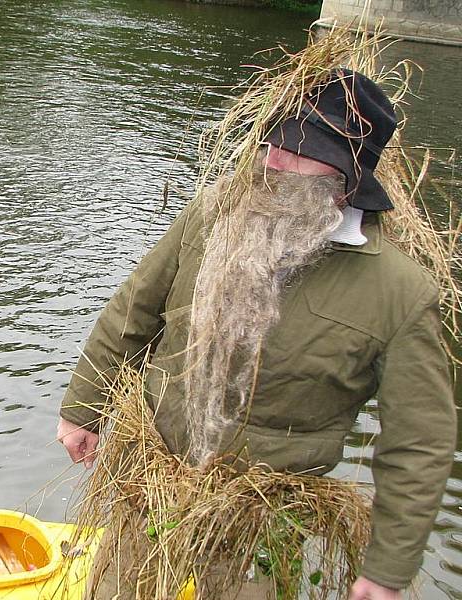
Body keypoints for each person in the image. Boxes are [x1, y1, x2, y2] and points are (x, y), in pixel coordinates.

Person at [57, 69, 456, 600]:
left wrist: (386, 569)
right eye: (273, 141)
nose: (272, 162)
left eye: (298, 152)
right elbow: (135, 308)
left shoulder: (400, 294)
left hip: (261, 523)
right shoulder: (213, 213)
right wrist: (83, 407)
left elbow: (418, 443)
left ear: (345, 177)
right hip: (149, 486)